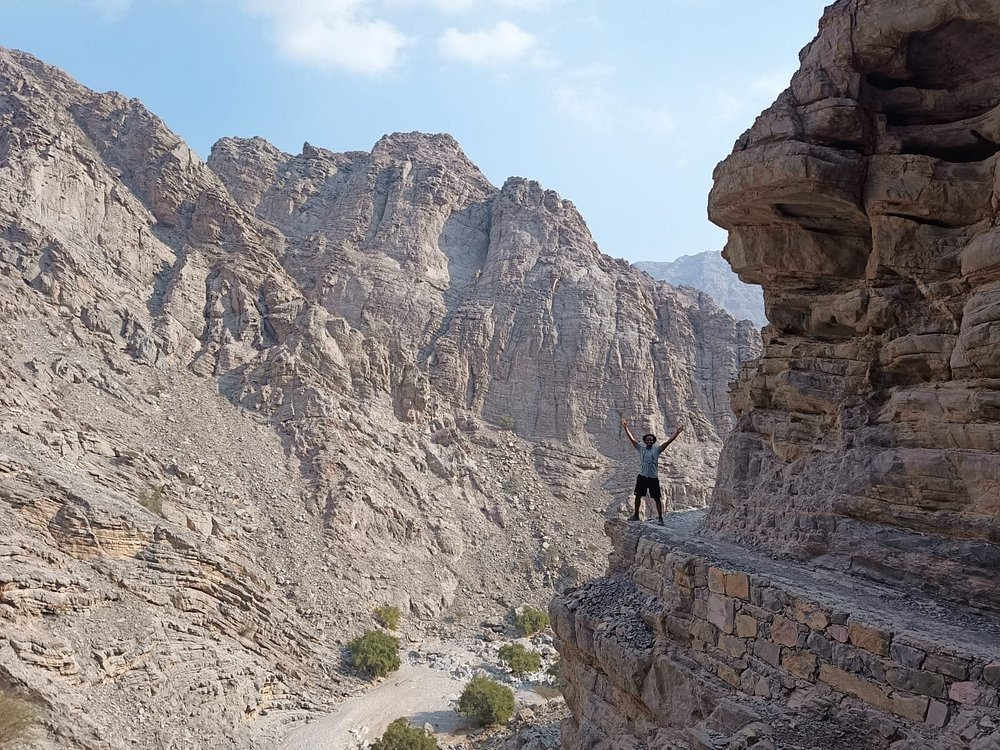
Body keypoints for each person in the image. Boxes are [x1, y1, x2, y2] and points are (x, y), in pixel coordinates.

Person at [621, 419, 684, 525]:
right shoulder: (641, 449)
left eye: (651, 440)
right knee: (638, 496)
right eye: (647, 440)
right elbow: (632, 439)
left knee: (657, 498)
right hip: (642, 476)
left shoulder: (657, 450)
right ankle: (636, 515)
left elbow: (668, 442)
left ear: (653, 441)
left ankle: (660, 518)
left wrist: (677, 432)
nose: (649, 441)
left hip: (653, 478)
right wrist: (625, 428)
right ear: (645, 441)